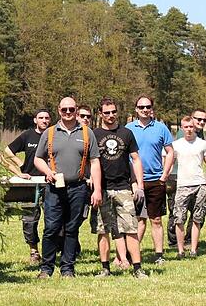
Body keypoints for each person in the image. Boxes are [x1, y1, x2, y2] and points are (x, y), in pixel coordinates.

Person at [34, 97, 102, 278]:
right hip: (54, 189)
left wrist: (97, 189)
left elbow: (94, 161)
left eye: (71, 110)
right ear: (59, 110)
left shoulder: (87, 133)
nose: (68, 113)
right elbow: (37, 158)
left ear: (76, 110)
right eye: (64, 110)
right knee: (51, 228)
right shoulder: (49, 133)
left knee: (72, 229)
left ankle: (67, 269)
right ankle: (46, 268)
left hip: (78, 187)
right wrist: (47, 171)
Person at [92, 98, 148, 278]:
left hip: (124, 188)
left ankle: (137, 268)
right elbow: (89, 162)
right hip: (103, 189)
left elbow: (136, 159)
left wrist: (139, 186)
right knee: (103, 230)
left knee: (130, 229)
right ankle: (105, 268)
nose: (110, 115)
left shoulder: (126, 133)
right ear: (101, 114)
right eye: (106, 112)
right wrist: (94, 185)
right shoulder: (94, 134)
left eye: (113, 112)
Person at [125, 95, 174, 264]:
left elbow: (170, 152)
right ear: (136, 109)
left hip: (155, 180)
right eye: (141, 107)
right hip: (135, 182)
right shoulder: (128, 128)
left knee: (156, 219)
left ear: (152, 108)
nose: (145, 110)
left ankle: (159, 255)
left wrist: (164, 175)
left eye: (147, 107)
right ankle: (133, 255)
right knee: (138, 220)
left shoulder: (161, 128)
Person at [1, 108, 52, 264]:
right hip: (30, 184)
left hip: (49, 182)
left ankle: (52, 251)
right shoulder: (27, 135)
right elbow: (7, 151)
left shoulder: (54, 136)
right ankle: (34, 251)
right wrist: (20, 164)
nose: (44, 120)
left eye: (47, 118)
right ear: (35, 120)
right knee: (29, 220)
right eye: (41, 118)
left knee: (52, 219)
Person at [171, 116, 206, 258]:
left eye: (191, 127)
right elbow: (169, 163)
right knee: (179, 218)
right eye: (186, 127)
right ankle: (180, 250)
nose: (189, 130)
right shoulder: (176, 145)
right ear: (182, 128)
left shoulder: (202, 144)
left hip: (199, 184)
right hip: (182, 185)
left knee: (197, 218)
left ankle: (194, 249)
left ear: (194, 127)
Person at [167, 108, 206, 247]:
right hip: (177, 177)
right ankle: (174, 241)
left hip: (195, 179)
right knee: (176, 211)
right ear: (191, 119)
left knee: (197, 211)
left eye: (204, 120)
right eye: (198, 119)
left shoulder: (200, 135)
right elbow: (173, 155)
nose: (201, 122)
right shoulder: (182, 133)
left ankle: (189, 240)